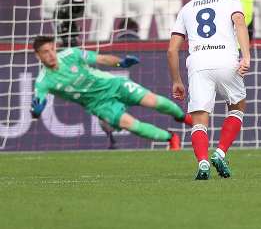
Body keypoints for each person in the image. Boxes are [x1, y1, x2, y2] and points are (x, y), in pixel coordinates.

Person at [30, 35, 190, 150]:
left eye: (52, 49)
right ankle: (171, 138)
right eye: (45, 52)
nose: (51, 54)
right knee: (131, 125)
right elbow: (37, 105)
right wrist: (36, 113)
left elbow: (102, 59)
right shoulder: (43, 81)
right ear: (38, 55)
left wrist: (121, 63)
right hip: (99, 104)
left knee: (154, 101)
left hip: (113, 85)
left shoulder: (71, 54)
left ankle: (182, 117)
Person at [168, 0, 251, 180]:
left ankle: (203, 162)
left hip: (198, 63)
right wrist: (246, 57)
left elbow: (172, 49)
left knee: (199, 120)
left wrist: (177, 80)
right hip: (226, 60)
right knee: (237, 106)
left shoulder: (186, 9)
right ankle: (220, 152)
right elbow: (240, 24)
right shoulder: (231, 1)